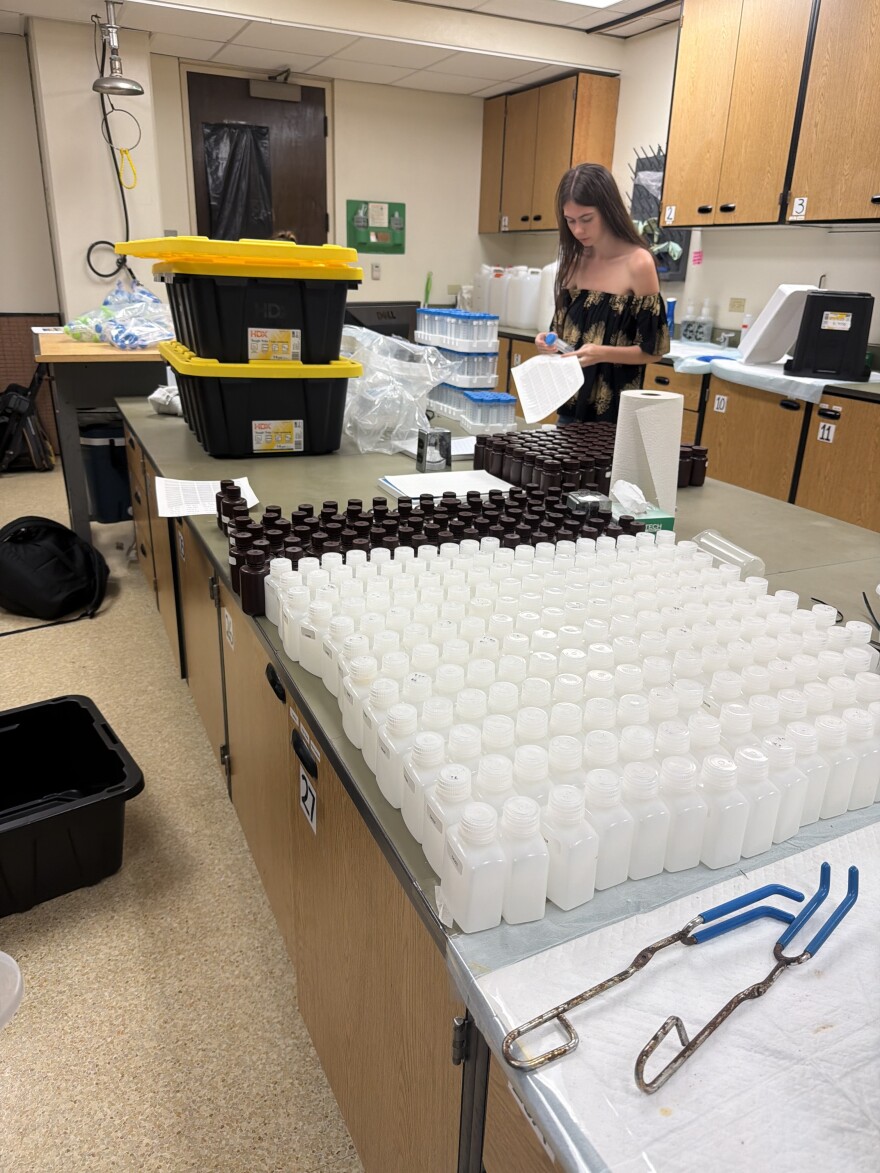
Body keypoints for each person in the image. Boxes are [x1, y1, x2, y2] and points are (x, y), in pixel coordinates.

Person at [535, 163, 670, 423]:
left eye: (586, 219)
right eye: (570, 221)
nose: (578, 230)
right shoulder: (573, 262)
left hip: (614, 415)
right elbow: (563, 336)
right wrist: (548, 341)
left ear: (608, 211)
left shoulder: (638, 263)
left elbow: (654, 350)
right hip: (570, 407)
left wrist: (604, 353)